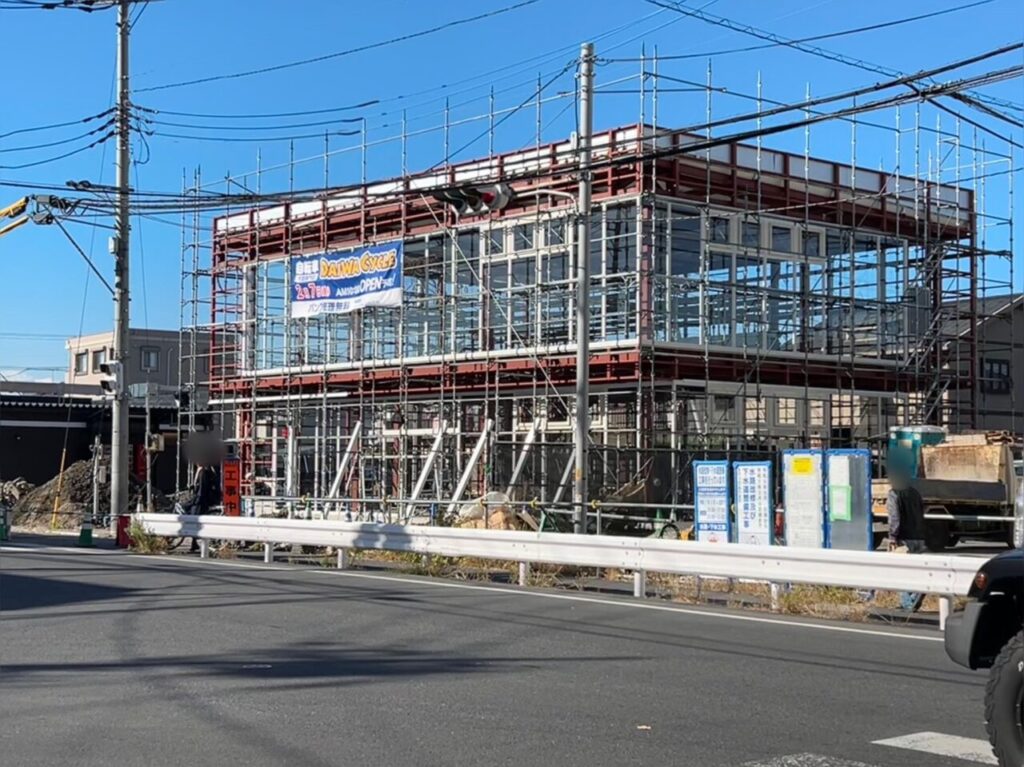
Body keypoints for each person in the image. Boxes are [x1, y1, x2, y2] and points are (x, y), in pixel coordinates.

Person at [887, 469, 926, 611]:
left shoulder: (894, 494)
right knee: (915, 571)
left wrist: (892, 537)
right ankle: (917, 593)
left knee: (900, 572)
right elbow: (921, 513)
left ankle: (908, 603)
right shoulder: (915, 493)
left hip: (904, 538)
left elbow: (894, 518)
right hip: (919, 537)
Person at [183, 461, 222, 552]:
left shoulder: (203, 473)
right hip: (203, 499)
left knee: (194, 517)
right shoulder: (204, 471)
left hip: (202, 500)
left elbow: (202, 490)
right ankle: (194, 543)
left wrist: (196, 500)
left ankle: (194, 541)